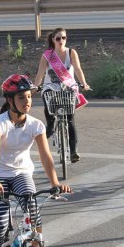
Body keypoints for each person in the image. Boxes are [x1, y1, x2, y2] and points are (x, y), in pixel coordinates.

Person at [0, 74, 71, 247]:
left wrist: (55, 183)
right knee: (0, 222)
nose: (28, 101)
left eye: (30, 97)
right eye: (22, 97)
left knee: (34, 212)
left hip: (22, 174)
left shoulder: (36, 125)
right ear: (11, 100)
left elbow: (45, 156)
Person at [34, 27, 90, 163]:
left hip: (67, 87)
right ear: (53, 40)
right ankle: (50, 126)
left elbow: (77, 69)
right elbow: (40, 73)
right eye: (58, 38)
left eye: (63, 38)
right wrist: (35, 86)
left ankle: (73, 151)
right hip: (50, 88)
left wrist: (84, 83)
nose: (61, 41)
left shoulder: (71, 53)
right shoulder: (47, 55)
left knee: (70, 120)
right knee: (49, 108)